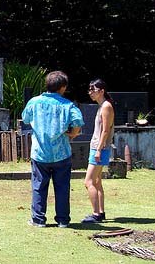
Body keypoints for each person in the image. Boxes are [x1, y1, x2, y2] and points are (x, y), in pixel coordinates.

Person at [22, 70, 84, 228]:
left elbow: (26, 118)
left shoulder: (34, 102)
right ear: (62, 87)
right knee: (62, 187)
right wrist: (71, 134)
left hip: (40, 152)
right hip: (61, 153)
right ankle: (63, 220)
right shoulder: (67, 105)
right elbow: (78, 122)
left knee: (38, 186)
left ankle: (38, 219)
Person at [82, 79, 114, 223]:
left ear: (102, 91)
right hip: (97, 147)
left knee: (88, 181)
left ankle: (95, 214)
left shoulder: (106, 106)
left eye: (93, 90)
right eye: (89, 90)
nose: (90, 93)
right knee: (96, 181)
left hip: (99, 148)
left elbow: (106, 131)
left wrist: (99, 150)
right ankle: (100, 212)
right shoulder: (102, 106)